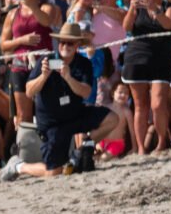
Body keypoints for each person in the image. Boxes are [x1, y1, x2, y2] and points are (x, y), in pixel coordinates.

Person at [28, 26, 121, 173]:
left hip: (75, 114)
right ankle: (19, 166)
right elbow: (29, 91)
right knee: (53, 172)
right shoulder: (46, 60)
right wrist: (43, 76)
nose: (65, 46)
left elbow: (86, 92)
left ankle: (84, 148)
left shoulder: (83, 63)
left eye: (70, 43)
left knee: (112, 119)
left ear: (77, 45)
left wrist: (68, 78)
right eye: (62, 42)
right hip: (53, 123)